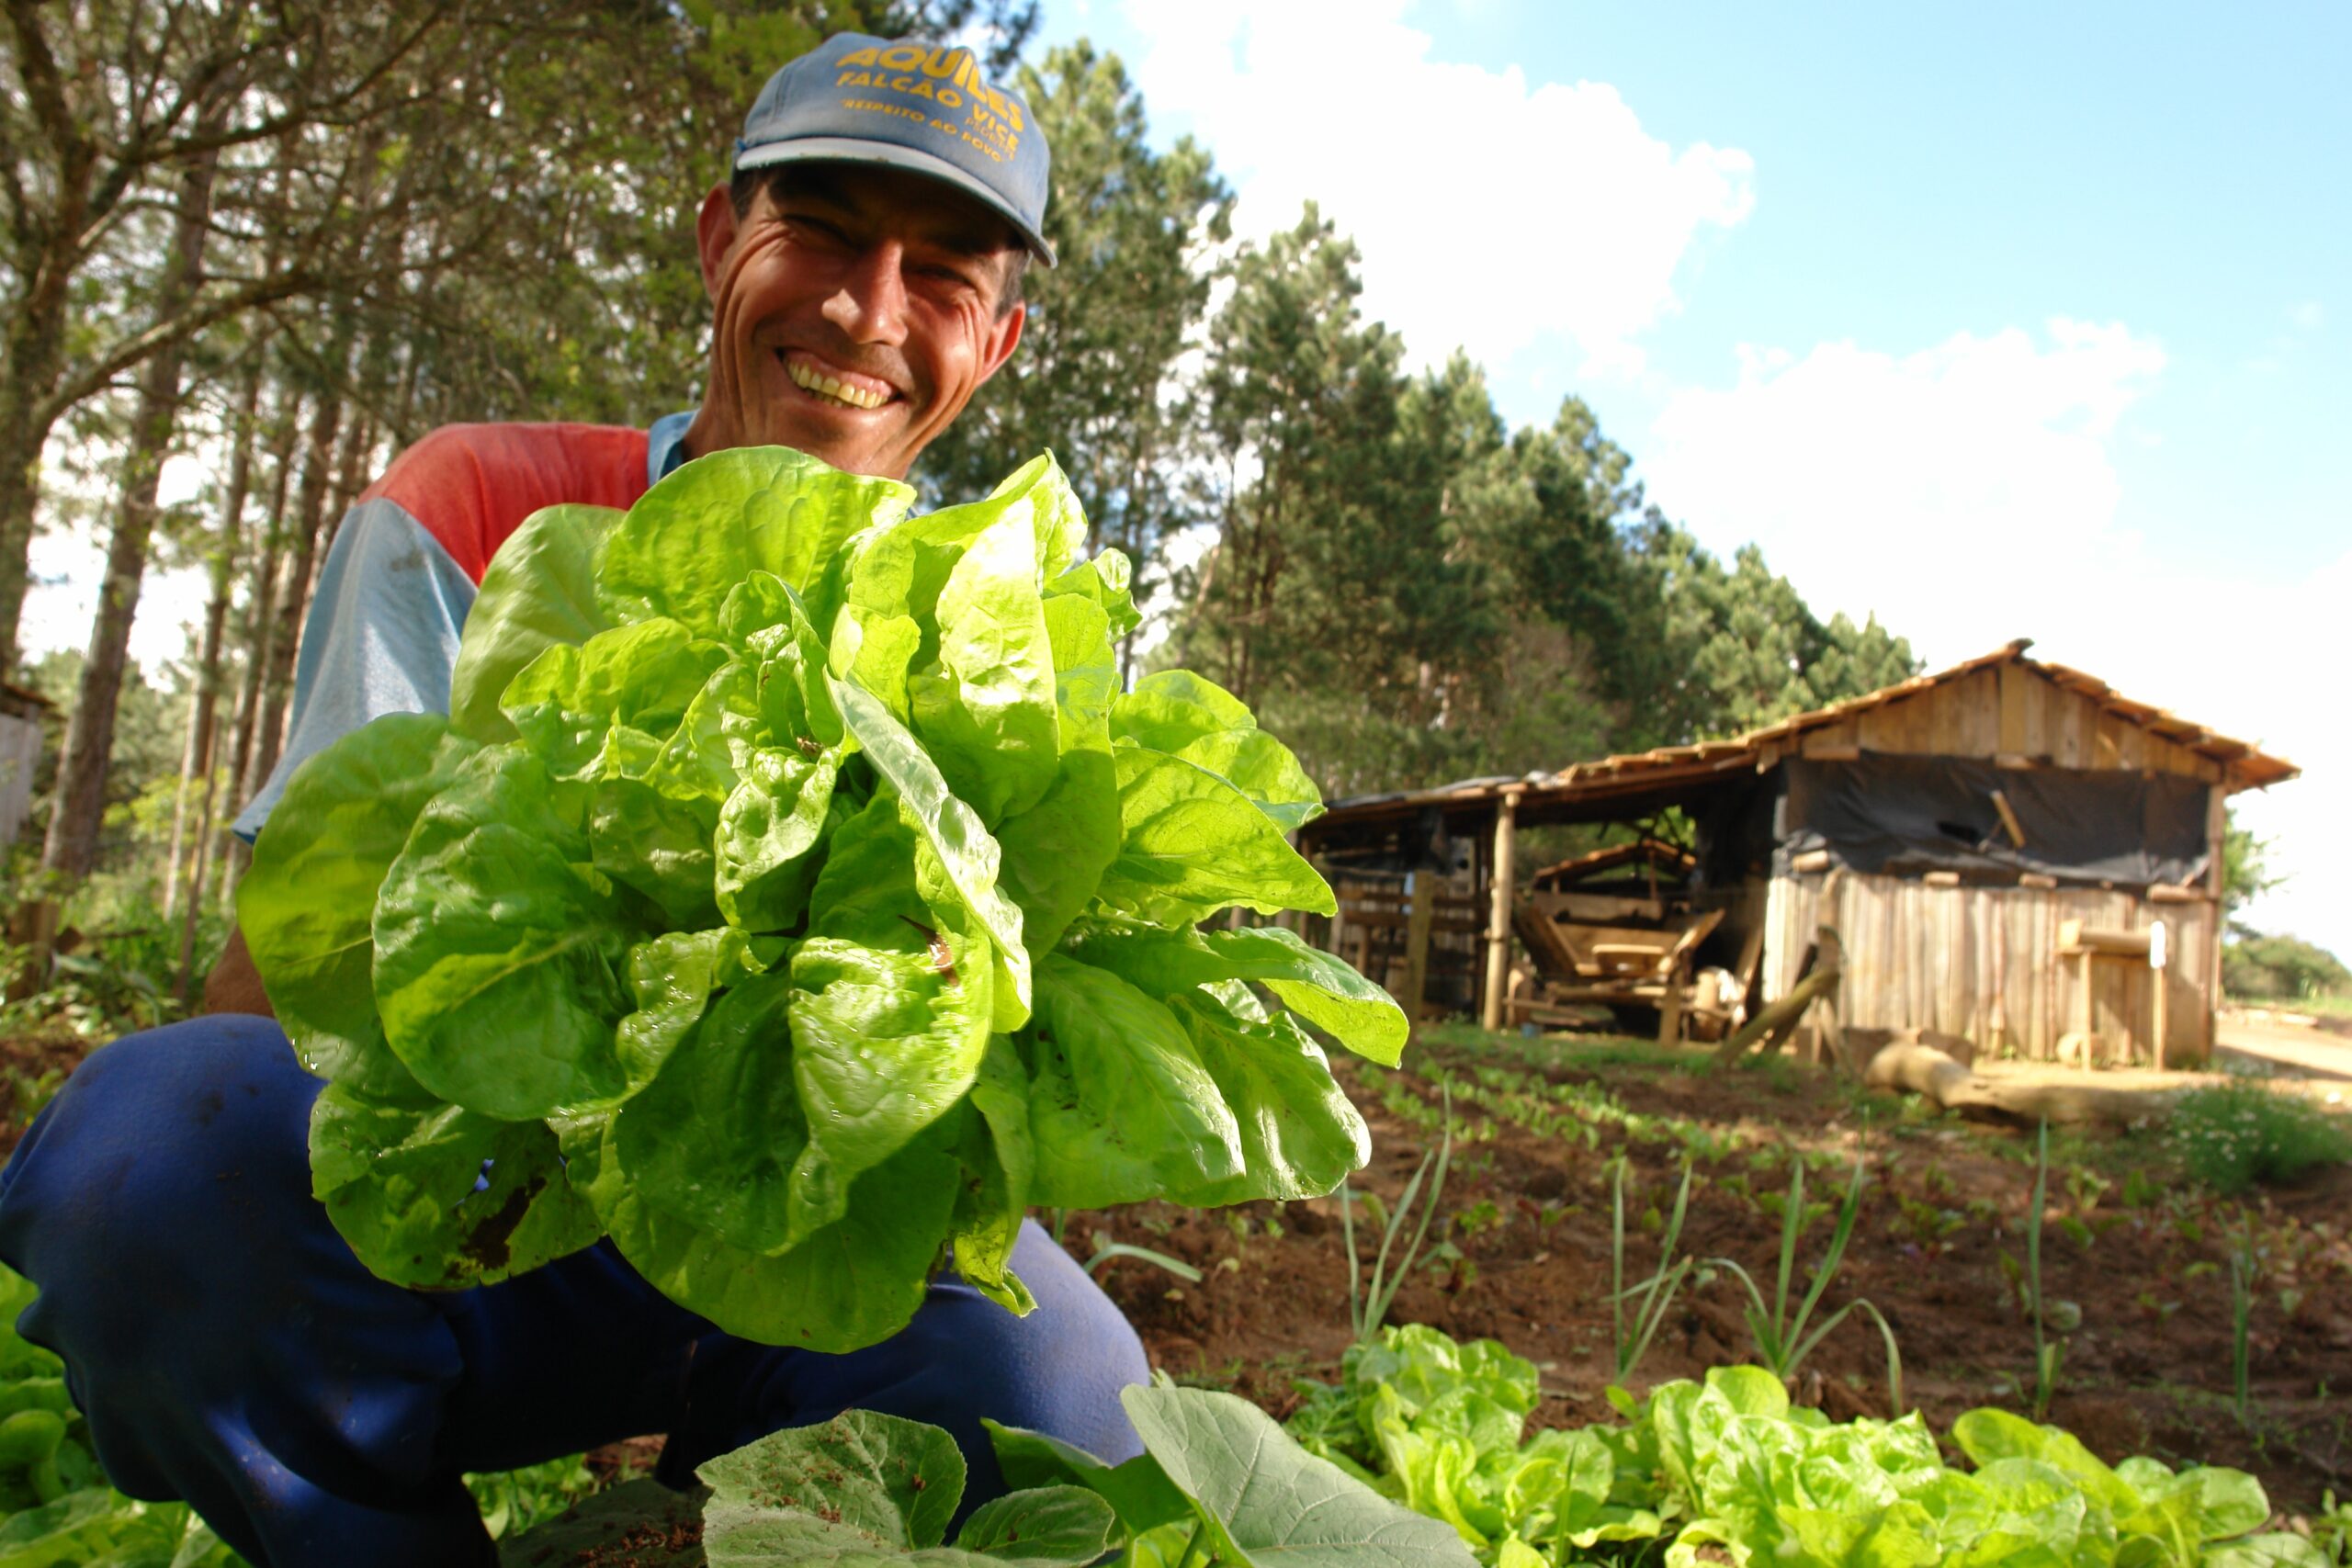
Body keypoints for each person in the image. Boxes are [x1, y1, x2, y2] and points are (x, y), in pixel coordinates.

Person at [0, 35, 1150, 1568]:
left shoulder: (1013, 626)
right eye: (819, 231)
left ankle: (714, 1530)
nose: (866, 312)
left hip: (826, 1231)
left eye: (939, 275)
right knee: (157, 1162)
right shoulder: (481, 508)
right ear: (718, 238)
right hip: (492, 1204)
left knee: (1068, 1399)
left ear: (995, 343)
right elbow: (298, 971)